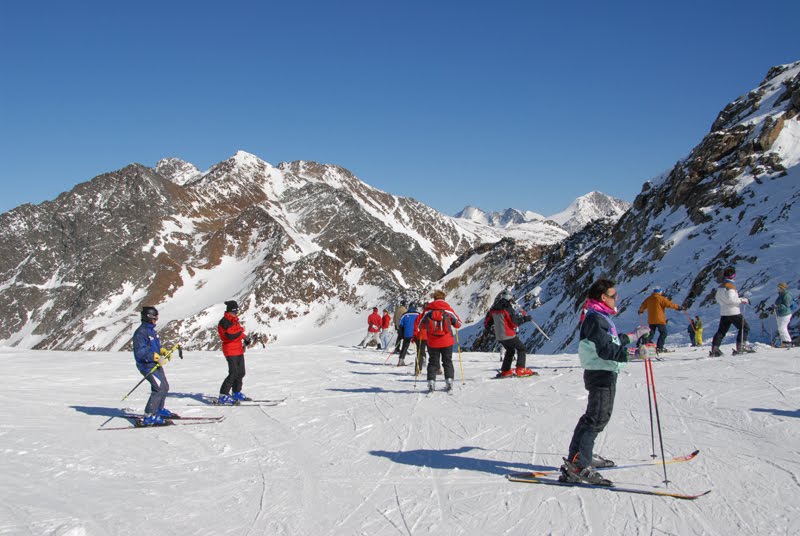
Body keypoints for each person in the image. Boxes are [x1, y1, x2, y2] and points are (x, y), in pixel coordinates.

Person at [560, 279, 649, 486]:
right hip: (601, 373)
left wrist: (633, 336)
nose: (616, 298)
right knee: (597, 419)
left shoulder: (599, 316)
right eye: (613, 295)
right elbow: (606, 350)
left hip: (601, 371)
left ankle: (580, 457)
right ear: (603, 297)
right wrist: (635, 353)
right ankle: (580, 465)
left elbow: (611, 342)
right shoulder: (596, 319)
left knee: (592, 417)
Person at [132, 306, 175, 425]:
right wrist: (155, 357)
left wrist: (162, 351)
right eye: (155, 318)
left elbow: (153, 346)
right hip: (146, 366)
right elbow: (140, 353)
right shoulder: (141, 332)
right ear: (148, 317)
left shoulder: (151, 330)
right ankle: (149, 416)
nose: (156, 320)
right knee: (158, 388)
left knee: (164, 386)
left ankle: (159, 409)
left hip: (155, 364)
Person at [484, 289, 535, 377]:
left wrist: (493, 331)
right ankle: (520, 369)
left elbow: (487, 323)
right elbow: (514, 323)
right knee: (522, 348)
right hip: (508, 334)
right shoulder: (508, 309)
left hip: (499, 336)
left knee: (510, 350)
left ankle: (505, 370)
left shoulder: (494, 309)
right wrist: (525, 319)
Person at [419, 290, 462, 392]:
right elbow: (458, 324)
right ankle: (449, 382)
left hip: (432, 342)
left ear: (434, 298)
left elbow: (420, 325)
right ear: (443, 298)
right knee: (447, 361)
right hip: (447, 341)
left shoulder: (428, 310)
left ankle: (431, 383)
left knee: (433, 362)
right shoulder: (448, 310)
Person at [709, 267, 751, 357]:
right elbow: (732, 299)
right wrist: (742, 300)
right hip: (733, 311)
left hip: (724, 312)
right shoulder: (730, 286)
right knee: (744, 327)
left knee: (721, 331)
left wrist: (724, 305)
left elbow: (717, 298)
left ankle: (715, 348)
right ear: (733, 275)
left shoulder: (720, 286)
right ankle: (741, 346)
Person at [217, 300, 252, 405]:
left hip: (238, 349)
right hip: (230, 350)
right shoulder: (224, 322)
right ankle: (223, 395)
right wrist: (241, 331)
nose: (235, 313)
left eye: (236, 312)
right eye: (234, 311)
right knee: (233, 373)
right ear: (229, 311)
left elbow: (237, 332)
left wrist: (245, 337)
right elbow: (230, 335)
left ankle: (236, 392)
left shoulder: (234, 320)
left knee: (241, 372)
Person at [637, 286, 683, 352]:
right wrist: (678, 307)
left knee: (651, 333)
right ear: (660, 292)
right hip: (659, 320)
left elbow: (643, 305)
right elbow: (670, 304)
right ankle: (659, 347)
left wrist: (641, 311)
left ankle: (643, 343)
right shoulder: (661, 298)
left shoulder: (648, 299)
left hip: (651, 320)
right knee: (663, 333)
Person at [774, 282, 793, 348]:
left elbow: (786, 305)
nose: (778, 289)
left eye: (779, 287)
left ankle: (788, 342)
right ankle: (784, 342)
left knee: (782, 328)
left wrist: (777, 307)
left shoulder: (786, 295)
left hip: (785, 314)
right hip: (781, 313)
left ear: (782, 288)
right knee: (781, 328)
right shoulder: (781, 294)